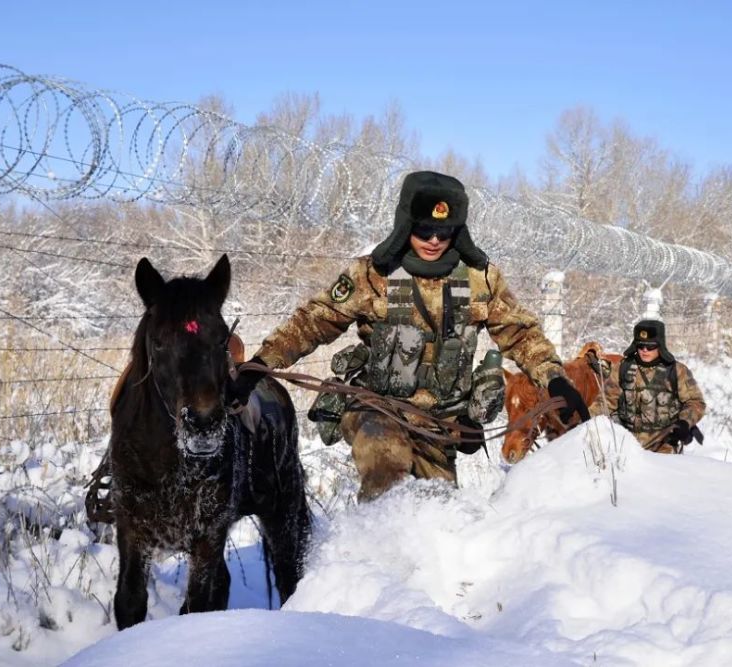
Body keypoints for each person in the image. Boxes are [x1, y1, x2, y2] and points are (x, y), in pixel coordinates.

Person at [228, 170, 590, 500]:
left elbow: (521, 334)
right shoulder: (372, 274)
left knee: (437, 511)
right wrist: (260, 365)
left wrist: (555, 380)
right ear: (405, 225)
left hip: (440, 426)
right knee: (387, 469)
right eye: (423, 230)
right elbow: (314, 321)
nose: (434, 240)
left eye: (444, 232)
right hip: (376, 408)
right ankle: (369, 556)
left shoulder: (480, 280)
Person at [600, 319, 705, 454]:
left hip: (663, 444)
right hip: (625, 444)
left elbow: (695, 402)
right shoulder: (623, 368)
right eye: (640, 345)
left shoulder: (677, 371)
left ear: (660, 346)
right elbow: (604, 403)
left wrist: (684, 423)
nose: (644, 350)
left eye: (650, 346)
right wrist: (584, 423)